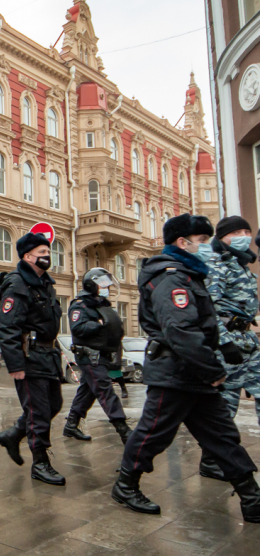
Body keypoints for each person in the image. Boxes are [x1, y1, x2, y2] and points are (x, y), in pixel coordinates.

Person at [112, 214, 259, 523]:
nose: (207, 247)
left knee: (222, 435)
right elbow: (181, 331)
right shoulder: (170, 277)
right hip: (174, 373)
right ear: (183, 242)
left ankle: (251, 496)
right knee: (153, 434)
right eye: (203, 241)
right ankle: (126, 485)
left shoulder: (189, 274)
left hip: (194, 372)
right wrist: (214, 370)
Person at [0, 233, 65, 486]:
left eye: (49, 252)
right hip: (30, 357)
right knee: (39, 412)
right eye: (42, 253)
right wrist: (15, 365)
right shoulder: (17, 284)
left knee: (54, 405)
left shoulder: (45, 283)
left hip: (48, 355)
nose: (48, 256)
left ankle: (14, 434)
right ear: (27, 256)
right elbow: (7, 328)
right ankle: (40, 462)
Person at [202, 216, 260, 478]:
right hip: (229, 345)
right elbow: (208, 310)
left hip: (249, 342)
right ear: (222, 237)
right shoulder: (217, 265)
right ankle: (211, 461)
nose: (243, 235)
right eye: (235, 232)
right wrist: (224, 344)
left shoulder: (242, 264)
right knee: (226, 406)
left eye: (246, 231)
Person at [63, 268, 131, 444]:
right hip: (89, 356)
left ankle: (71, 424)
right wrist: (99, 324)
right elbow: (78, 328)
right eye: (102, 284)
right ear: (91, 285)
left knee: (88, 391)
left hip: (102, 354)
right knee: (104, 390)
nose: (105, 287)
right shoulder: (80, 304)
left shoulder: (101, 303)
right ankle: (123, 429)